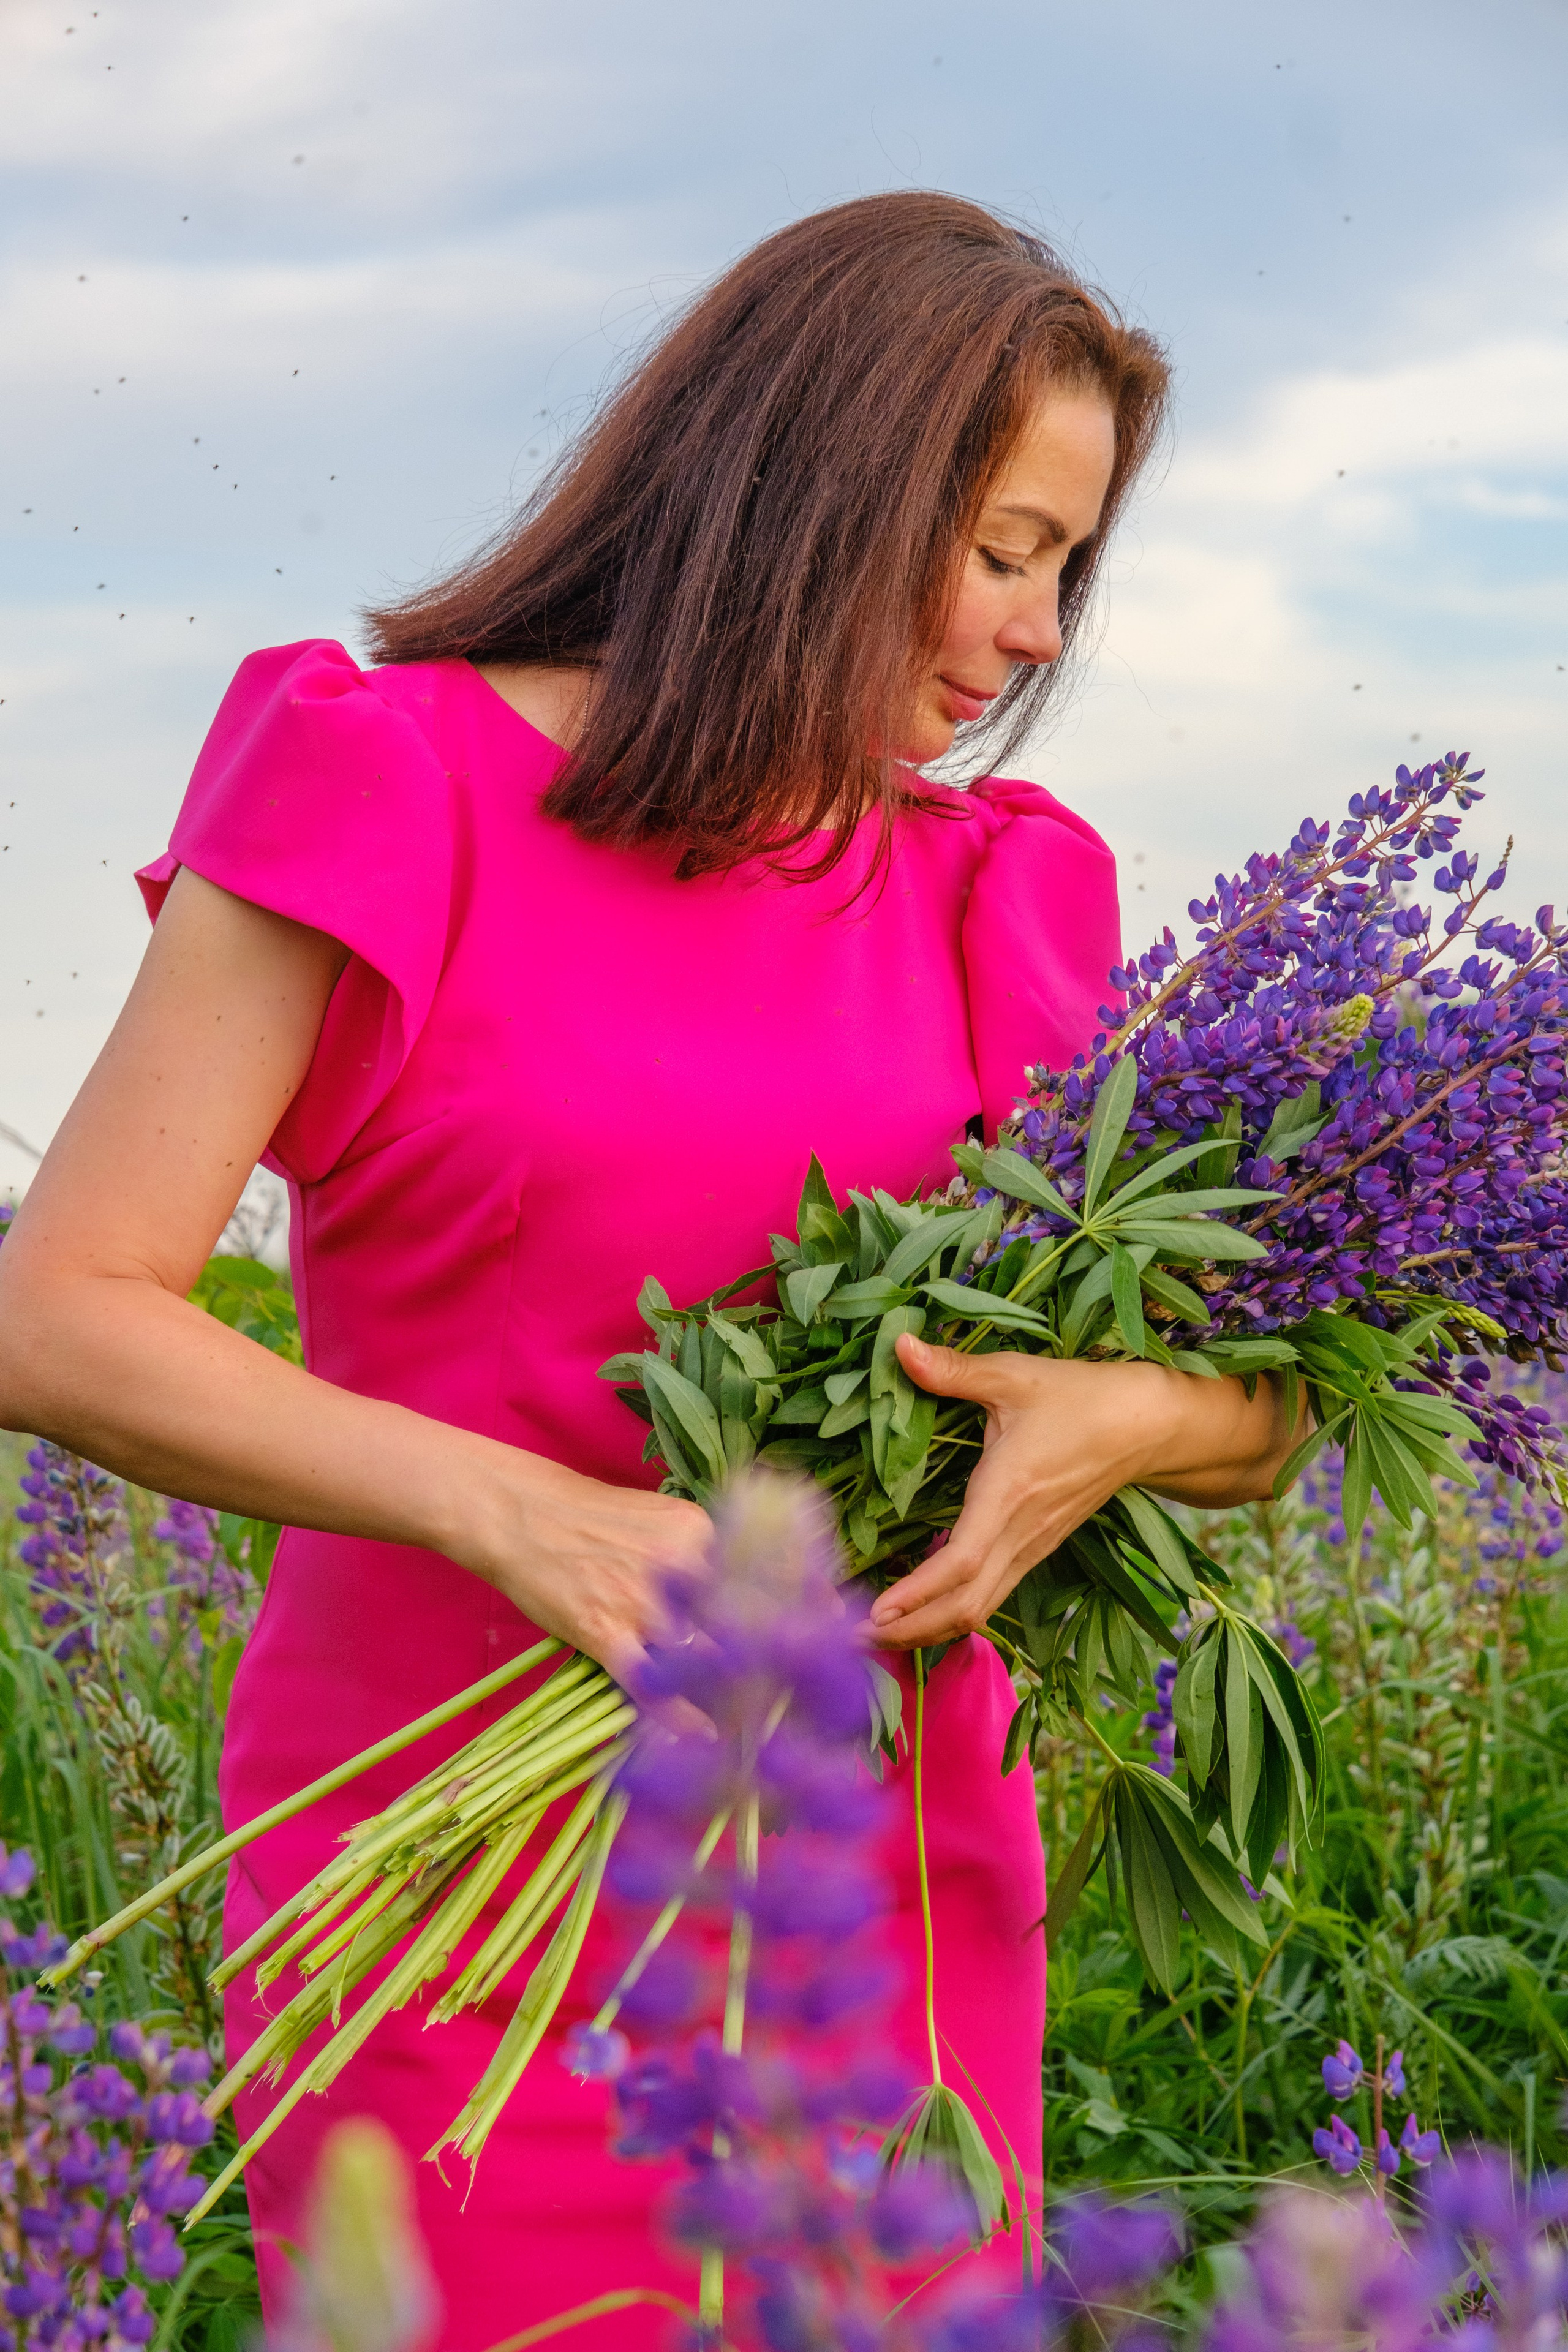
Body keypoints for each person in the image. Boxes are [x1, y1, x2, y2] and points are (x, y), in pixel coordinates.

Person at [0, 192, 1301, 2346]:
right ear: (824, 484)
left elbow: (1265, 1399)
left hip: (875, 1900)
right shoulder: (387, 778)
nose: (1037, 632)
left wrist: (1126, 1418)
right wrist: (528, 1514)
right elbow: (62, 1312)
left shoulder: (998, 894)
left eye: (1068, 569)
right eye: (1003, 550)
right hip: (451, 1877)